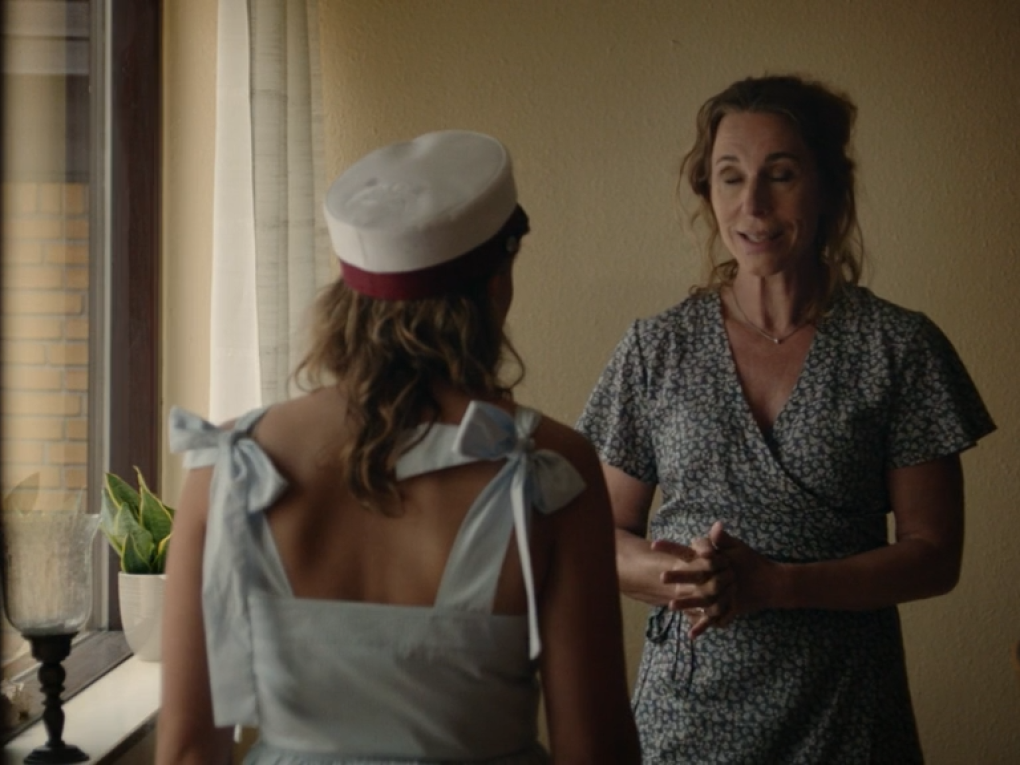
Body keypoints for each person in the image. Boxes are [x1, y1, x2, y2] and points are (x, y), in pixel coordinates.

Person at [156, 130, 641, 765]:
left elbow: (189, 751)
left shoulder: (228, 468)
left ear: (346, 290)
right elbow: (595, 751)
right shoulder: (549, 471)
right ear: (496, 283)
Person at [576, 75, 996, 763]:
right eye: (730, 177)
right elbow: (598, 535)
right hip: (686, 724)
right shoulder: (656, 348)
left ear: (828, 186)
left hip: (847, 716)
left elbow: (934, 554)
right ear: (708, 193)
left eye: (781, 174)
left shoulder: (900, 347)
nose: (753, 204)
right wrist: (690, 577)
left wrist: (780, 584)